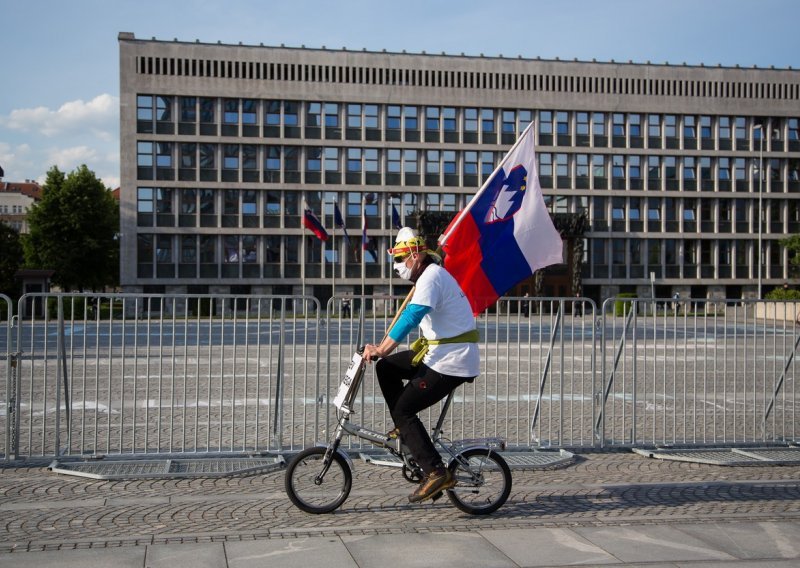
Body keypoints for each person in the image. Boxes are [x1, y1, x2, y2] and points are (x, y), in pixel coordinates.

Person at [363, 227, 479, 503]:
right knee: (387, 367)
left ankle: (436, 471)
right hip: (438, 355)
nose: (398, 266)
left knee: (405, 408)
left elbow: (411, 318)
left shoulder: (432, 277)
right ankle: (404, 429)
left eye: (401, 259)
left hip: (452, 362)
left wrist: (381, 348)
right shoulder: (428, 277)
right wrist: (383, 355)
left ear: (415, 255)